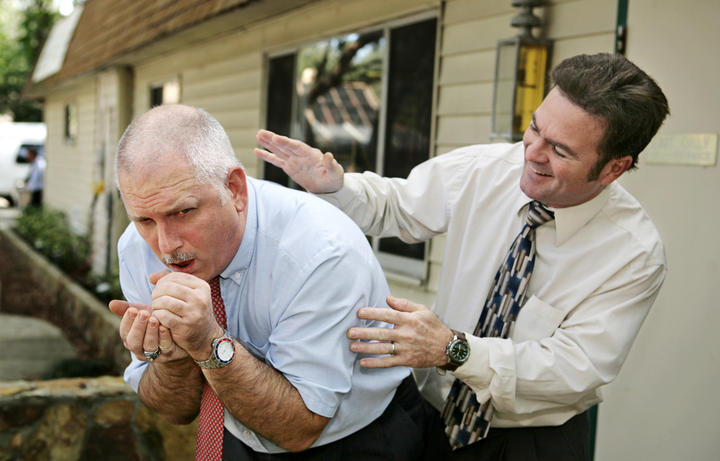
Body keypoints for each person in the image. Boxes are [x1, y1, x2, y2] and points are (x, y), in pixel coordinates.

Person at [254, 53, 670, 460]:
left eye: (560, 151)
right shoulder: (487, 168)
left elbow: (573, 370)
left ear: (614, 168)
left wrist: (454, 350)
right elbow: (398, 205)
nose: (532, 153)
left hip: (530, 442)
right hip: (429, 420)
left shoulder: (634, 254)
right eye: (534, 127)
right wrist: (335, 186)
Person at [108, 104, 429, 460]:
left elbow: (299, 428)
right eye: (145, 220)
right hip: (241, 427)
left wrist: (207, 343)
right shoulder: (137, 248)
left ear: (234, 189)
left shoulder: (319, 252)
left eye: (183, 212)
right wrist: (172, 359)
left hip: (358, 440)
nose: (166, 246)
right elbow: (176, 411)